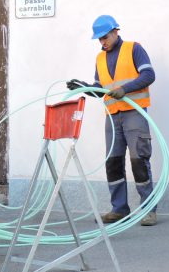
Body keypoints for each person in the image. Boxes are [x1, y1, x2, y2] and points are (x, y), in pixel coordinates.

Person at [66, 15, 157, 226]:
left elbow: (149, 75)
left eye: (105, 37)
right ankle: (119, 209)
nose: (102, 42)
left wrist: (125, 89)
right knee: (113, 163)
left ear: (116, 31)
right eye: (99, 39)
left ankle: (149, 210)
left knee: (139, 162)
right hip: (112, 117)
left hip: (134, 114)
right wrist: (84, 87)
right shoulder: (100, 58)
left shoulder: (134, 49)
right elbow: (100, 90)